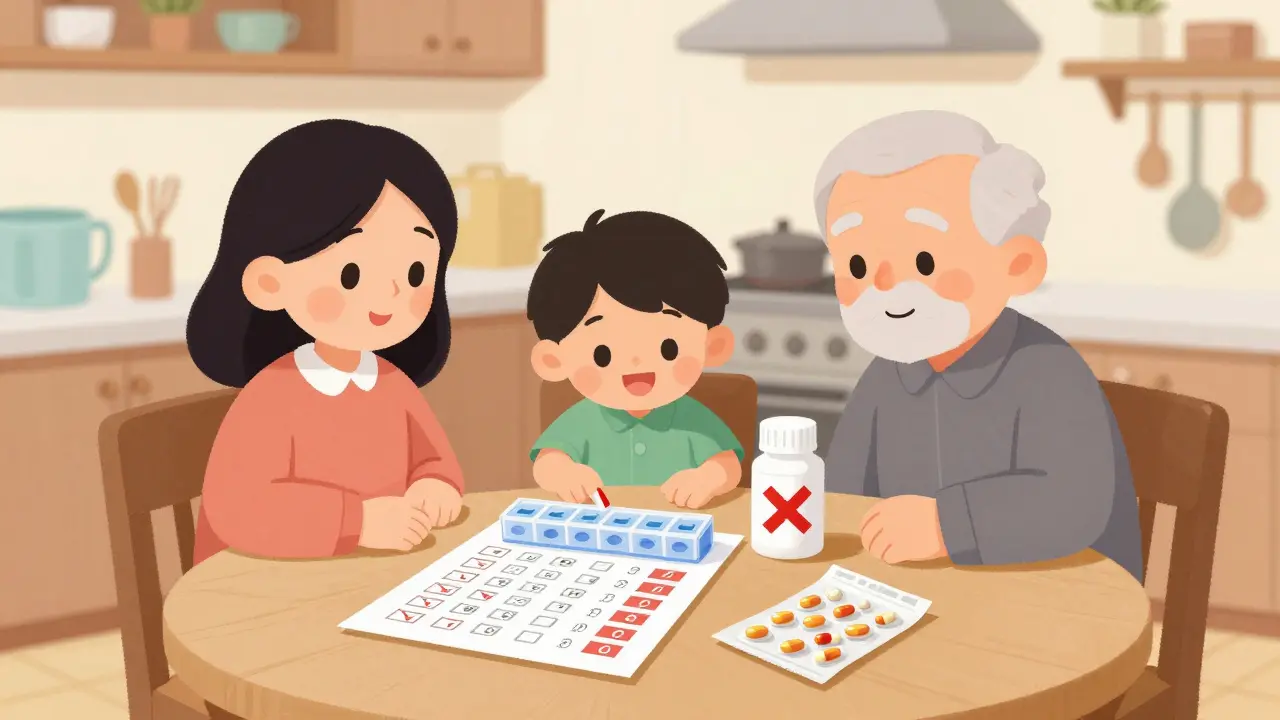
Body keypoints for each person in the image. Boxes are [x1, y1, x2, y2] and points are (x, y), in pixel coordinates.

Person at [817, 110, 1143, 579]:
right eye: (858, 265)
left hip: (1060, 605)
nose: (883, 284)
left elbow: (1073, 504)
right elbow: (842, 491)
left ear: (1017, 265)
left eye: (924, 260)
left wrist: (945, 525)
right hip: (920, 600)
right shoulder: (886, 376)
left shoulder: (1049, 372)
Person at [187, 119, 465, 565]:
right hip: (264, 591)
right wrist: (359, 522)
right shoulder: (271, 398)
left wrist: (434, 486)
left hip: (368, 579)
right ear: (270, 281)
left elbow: (433, 460)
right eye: (352, 274)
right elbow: (240, 509)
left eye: (415, 273)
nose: (391, 295)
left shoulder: (393, 384)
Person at [526, 209, 743, 509]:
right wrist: (564, 474)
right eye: (603, 355)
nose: (637, 363)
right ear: (554, 360)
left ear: (713, 346)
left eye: (669, 349)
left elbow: (727, 466)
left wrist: (707, 478)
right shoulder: (583, 420)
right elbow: (547, 463)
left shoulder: (694, 421)